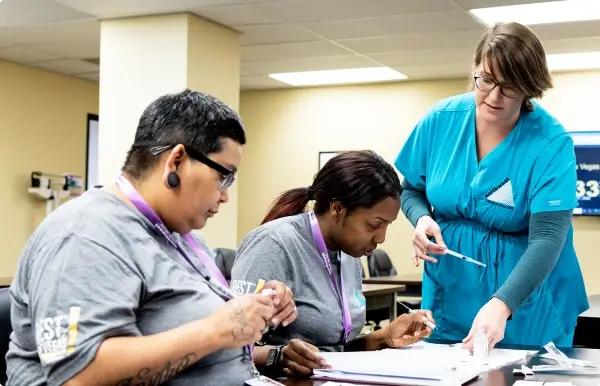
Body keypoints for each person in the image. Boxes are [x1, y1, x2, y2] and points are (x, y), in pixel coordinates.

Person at [6, 90, 297, 386]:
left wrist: (257, 308)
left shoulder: (176, 234)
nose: (224, 195)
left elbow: (187, 320)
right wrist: (215, 330)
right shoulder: (84, 234)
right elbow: (80, 377)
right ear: (176, 161)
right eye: (224, 176)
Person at [394, 22, 589, 350]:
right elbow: (410, 189)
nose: (494, 96)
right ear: (474, 67)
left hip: (526, 300)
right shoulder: (441, 120)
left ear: (530, 86)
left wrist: (503, 304)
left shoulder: (550, 143)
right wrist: (422, 219)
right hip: (450, 287)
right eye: (486, 80)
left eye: (510, 86)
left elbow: (547, 238)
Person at [231, 150, 435, 378]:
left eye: (387, 225)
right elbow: (229, 350)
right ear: (337, 209)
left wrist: (384, 337)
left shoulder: (348, 253)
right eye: (374, 224)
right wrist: (278, 357)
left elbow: (334, 350)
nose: (381, 238)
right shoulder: (274, 243)